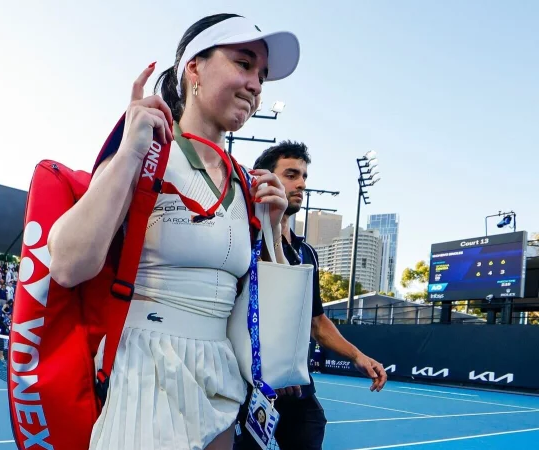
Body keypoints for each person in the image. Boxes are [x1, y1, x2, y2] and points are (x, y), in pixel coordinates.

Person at [47, 13, 300, 450]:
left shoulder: (244, 182)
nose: (257, 85)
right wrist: (129, 151)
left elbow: (264, 317)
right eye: (244, 63)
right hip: (144, 371)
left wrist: (274, 235)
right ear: (194, 69)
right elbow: (67, 264)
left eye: (262, 75)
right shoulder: (147, 151)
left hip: (222, 377)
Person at [234, 141, 389, 450]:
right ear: (264, 178)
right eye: (291, 174)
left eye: (304, 176)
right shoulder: (240, 238)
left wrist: (357, 356)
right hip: (248, 389)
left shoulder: (307, 253)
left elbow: (316, 322)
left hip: (297, 391)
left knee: (310, 429)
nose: (302, 183)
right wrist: (273, 366)